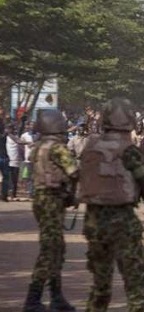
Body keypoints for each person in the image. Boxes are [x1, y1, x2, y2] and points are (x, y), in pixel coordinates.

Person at [78, 97, 144, 311]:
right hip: (122, 222)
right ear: (130, 120)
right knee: (137, 285)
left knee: (100, 286)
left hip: (93, 222)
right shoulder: (130, 150)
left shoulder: (90, 146)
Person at [22, 109, 77, 312]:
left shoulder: (38, 147)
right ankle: (33, 299)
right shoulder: (56, 148)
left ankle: (56, 296)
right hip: (52, 200)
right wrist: (73, 193)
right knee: (50, 250)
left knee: (56, 249)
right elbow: (74, 171)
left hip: (42, 200)